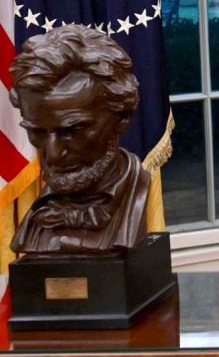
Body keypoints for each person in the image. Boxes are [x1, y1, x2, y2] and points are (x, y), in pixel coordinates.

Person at [9, 26, 150, 255]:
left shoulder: (137, 194)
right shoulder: (39, 216)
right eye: (38, 132)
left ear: (122, 118)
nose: (53, 154)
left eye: (72, 131)